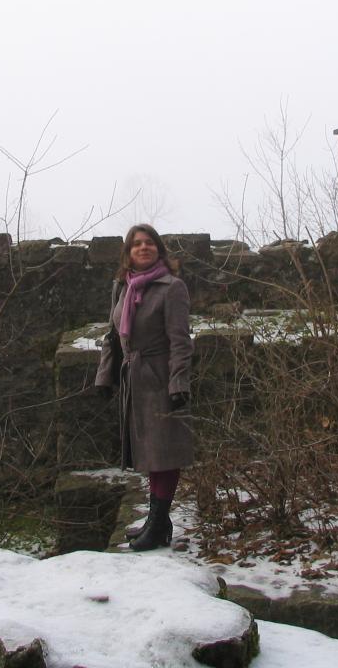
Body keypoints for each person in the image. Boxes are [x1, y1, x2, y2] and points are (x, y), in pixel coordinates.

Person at [95, 224, 194, 552]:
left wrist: (178, 383)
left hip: (159, 377)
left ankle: (157, 522)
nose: (143, 247)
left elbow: (180, 341)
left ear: (159, 250)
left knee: (163, 452)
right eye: (136, 244)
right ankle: (158, 522)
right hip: (133, 379)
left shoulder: (172, 287)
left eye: (149, 243)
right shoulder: (122, 287)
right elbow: (113, 336)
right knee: (149, 453)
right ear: (128, 252)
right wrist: (104, 376)